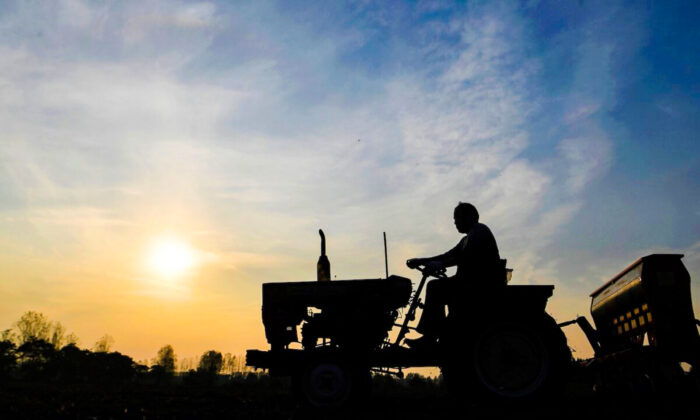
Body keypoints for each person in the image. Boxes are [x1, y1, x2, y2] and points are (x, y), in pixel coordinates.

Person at [404, 202, 501, 349]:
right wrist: (422, 261)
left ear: (468, 216)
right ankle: (437, 334)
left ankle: (430, 336)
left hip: (476, 285)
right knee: (438, 286)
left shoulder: (479, 231)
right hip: (467, 283)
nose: (454, 222)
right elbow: (447, 255)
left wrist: (440, 265)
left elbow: (467, 256)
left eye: (457, 218)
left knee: (435, 288)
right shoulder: (466, 238)